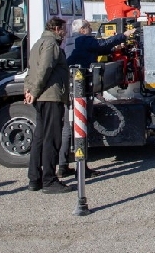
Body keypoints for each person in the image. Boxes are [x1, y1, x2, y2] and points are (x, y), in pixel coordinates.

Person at [57, 19, 131, 178]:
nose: (91, 29)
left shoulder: (70, 41)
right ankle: (82, 168)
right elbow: (102, 45)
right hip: (81, 89)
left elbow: (98, 50)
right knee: (82, 126)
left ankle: (62, 166)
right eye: (89, 27)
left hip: (68, 88)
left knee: (67, 129)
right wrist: (123, 35)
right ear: (82, 29)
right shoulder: (84, 40)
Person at [24, 17, 71, 194]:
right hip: (50, 96)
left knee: (40, 138)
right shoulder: (51, 45)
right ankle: (49, 180)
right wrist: (34, 91)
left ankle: (34, 178)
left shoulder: (37, 43)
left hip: (40, 96)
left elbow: (31, 69)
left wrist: (28, 90)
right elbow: (44, 69)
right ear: (57, 29)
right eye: (64, 30)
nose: (65, 33)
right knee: (52, 138)